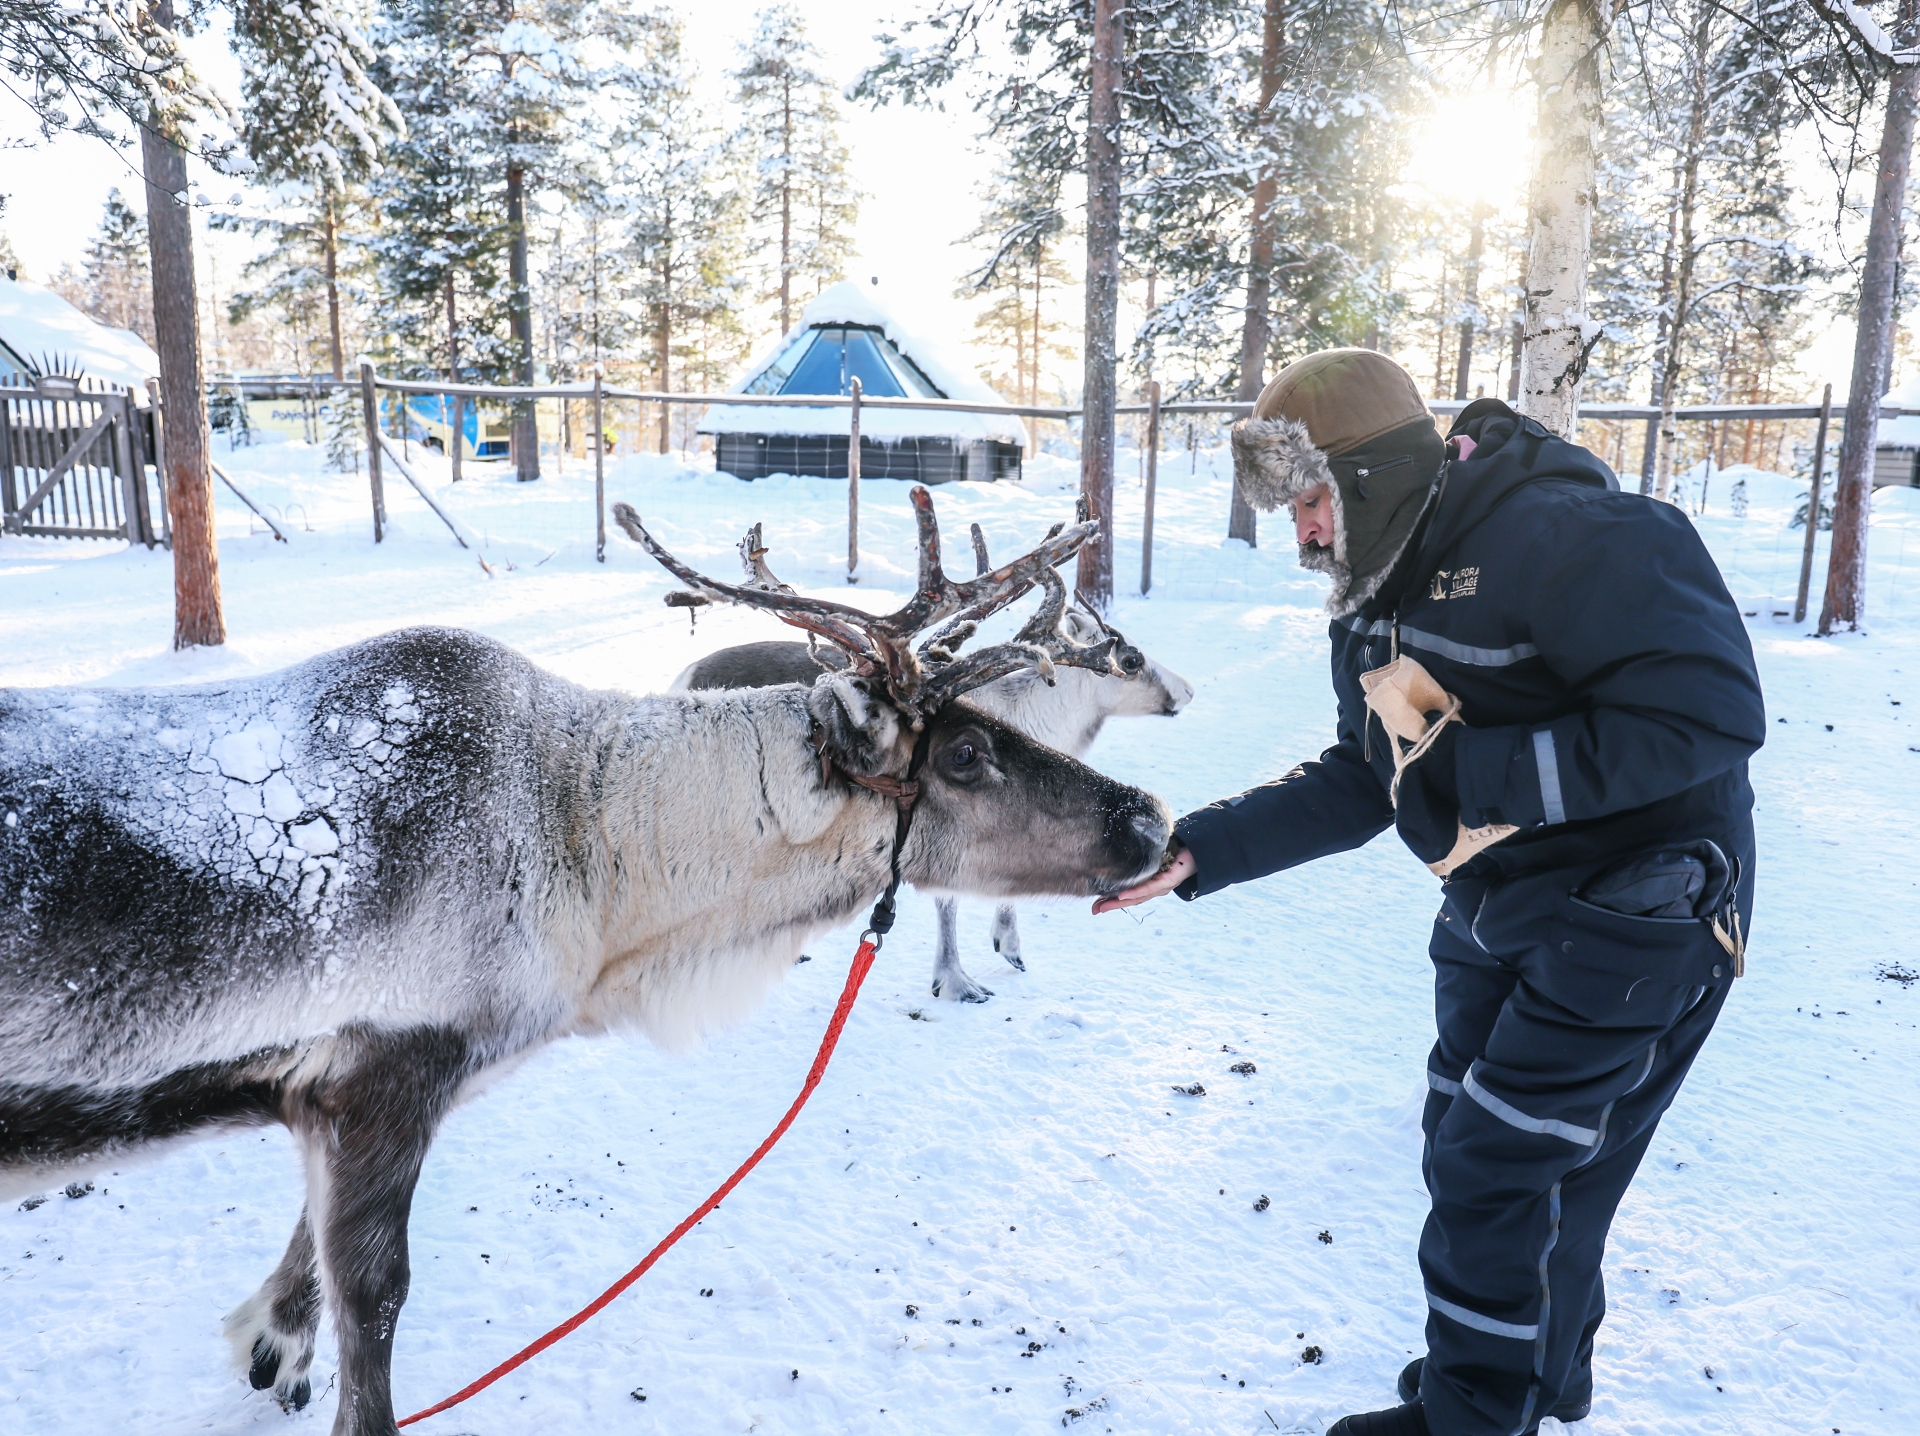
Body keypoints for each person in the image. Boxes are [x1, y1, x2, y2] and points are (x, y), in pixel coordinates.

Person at [1098, 348, 1764, 1436]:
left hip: (1641, 907)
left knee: (1498, 1162)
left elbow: (1709, 717)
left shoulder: (1580, 537)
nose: (1304, 534)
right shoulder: (1376, 588)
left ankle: (1473, 1414)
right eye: (1292, 509)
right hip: (1496, 896)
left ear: (1372, 477)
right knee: (1489, 1139)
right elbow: (1369, 773)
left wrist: (1477, 771)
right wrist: (1202, 849)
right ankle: (1536, 1370)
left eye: (1312, 501)